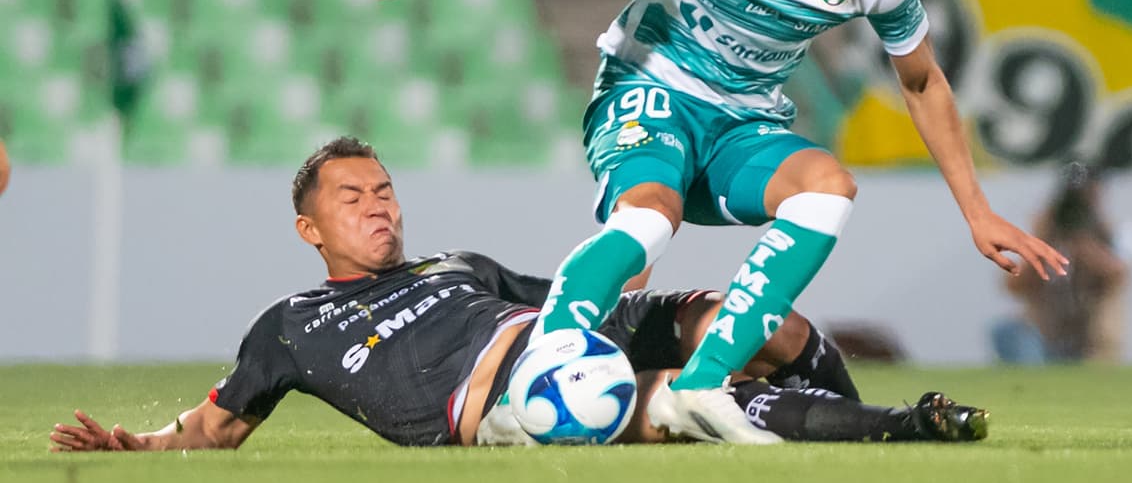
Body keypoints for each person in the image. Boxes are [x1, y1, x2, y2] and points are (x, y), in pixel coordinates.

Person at [341, 0, 1067, 443]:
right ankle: (550, 354)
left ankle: (697, 385)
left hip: (739, 131)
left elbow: (923, 81)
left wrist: (977, 210)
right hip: (647, 92)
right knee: (652, 218)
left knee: (829, 186)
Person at [49, 137, 987, 452]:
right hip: (515, 397)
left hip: (567, 331)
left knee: (766, 325)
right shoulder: (291, 327)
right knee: (705, 404)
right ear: (311, 229)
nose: (378, 208)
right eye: (352, 198)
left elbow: (578, 297)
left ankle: (847, 431)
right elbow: (218, 424)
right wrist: (135, 442)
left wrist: (635, 262)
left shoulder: (458, 260)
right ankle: (907, 427)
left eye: (384, 190)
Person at [993, 162, 1132, 364]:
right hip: (1047, 330)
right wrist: (1039, 244)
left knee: (1110, 317)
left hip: (1092, 331)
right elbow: (1012, 286)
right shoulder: (1042, 231)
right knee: (1005, 331)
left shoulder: (1116, 231)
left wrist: (1085, 245)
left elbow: (1120, 277)